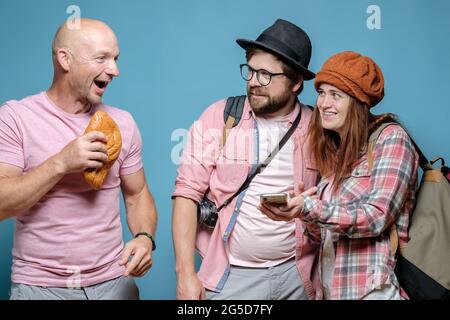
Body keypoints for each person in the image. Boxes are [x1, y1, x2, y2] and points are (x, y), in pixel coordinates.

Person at [0, 18, 157, 300]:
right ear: (65, 59)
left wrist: (145, 238)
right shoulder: (16, 118)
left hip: (115, 282)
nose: (115, 70)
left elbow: (138, 194)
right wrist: (61, 162)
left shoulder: (123, 123)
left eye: (116, 59)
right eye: (102, 58)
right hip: (41, 288)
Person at [172, 19, 322, 300]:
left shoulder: (318, 129)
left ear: (296, 83)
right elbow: (186, 193)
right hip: (231, 277)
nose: (254, 82)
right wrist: (185, 274)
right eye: (251, 71)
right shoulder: (220, 117)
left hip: (297, 275)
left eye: (266, 75)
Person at [260, 51, 419, 300]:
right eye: (322, 93)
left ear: (357, 103)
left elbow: (377, 217)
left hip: (374, 292)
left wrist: (312, 207)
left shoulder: (391, 139)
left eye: (336, 95)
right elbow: (323, 235)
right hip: (334, 291)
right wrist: (301, 212)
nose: (323, 103)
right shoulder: (335, 152)